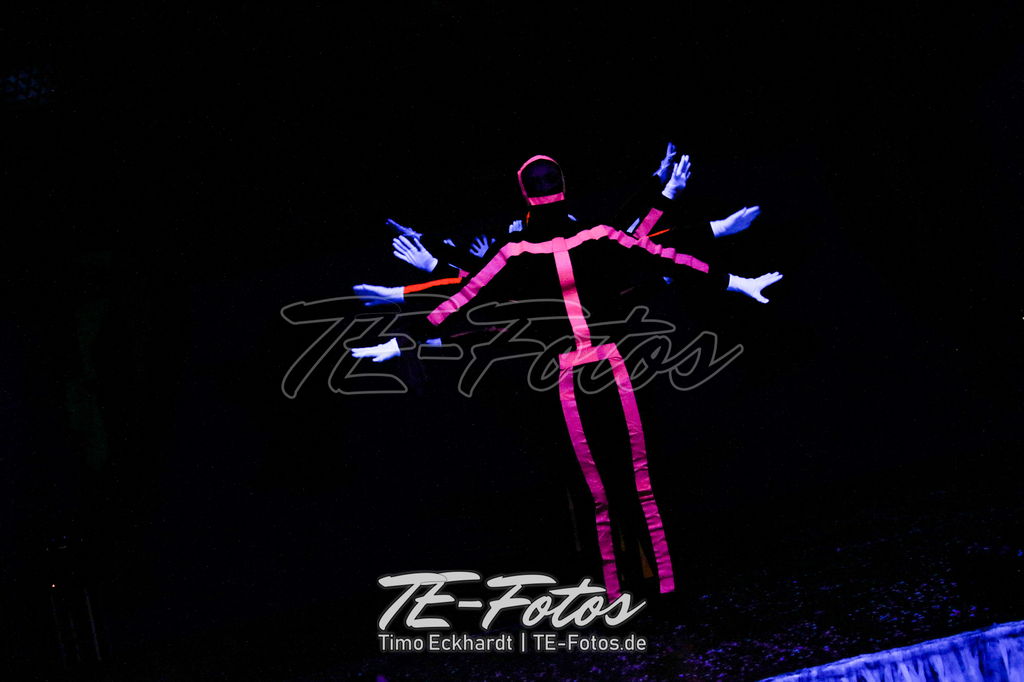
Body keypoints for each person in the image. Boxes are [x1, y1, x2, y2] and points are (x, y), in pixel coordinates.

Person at [352, 155, 783, 597]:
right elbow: (661, 255)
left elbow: (463, 300)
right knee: (624, 483)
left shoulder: (528, 249)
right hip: (595, 370)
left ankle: (630, 589)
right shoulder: (582, 238)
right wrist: (734, 279)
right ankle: (641, 588)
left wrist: (404, 336)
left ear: (527, 195)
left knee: (610, 487)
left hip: (580, 372)